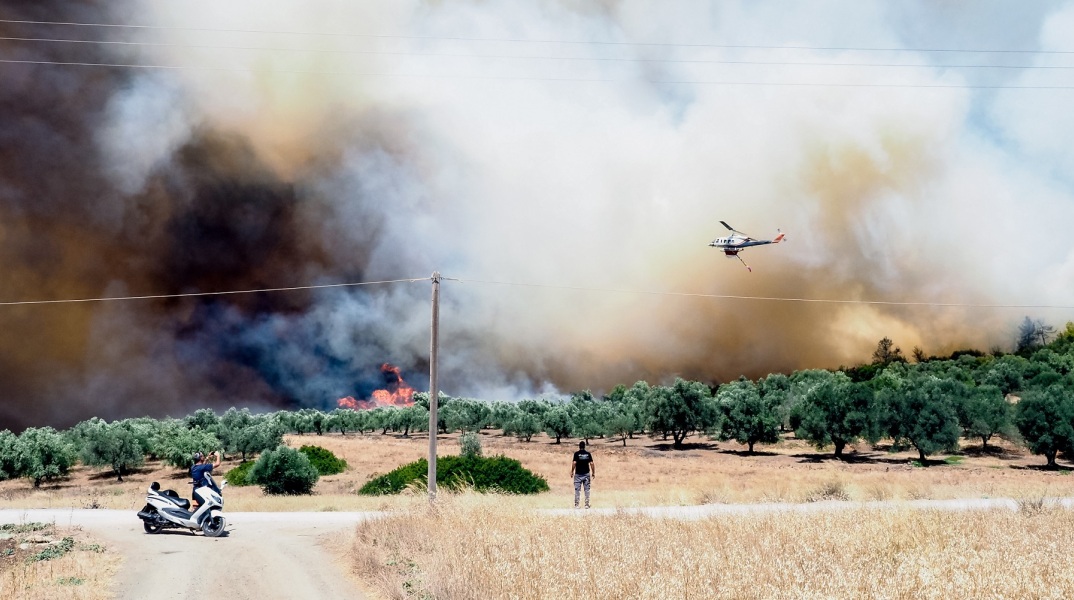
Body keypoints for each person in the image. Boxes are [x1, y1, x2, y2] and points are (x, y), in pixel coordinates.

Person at [570, 440, 595, 509]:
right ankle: (587, 505)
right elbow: (592, 463)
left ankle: (577, 505)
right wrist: (593, 472)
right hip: (586, 474)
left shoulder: (576, 454)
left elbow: (574, 463)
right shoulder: (588, 454)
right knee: (587, 489)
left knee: (577, 490)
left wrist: (572, 471)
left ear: (579, 447)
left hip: (578, 474)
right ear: (584, 446)